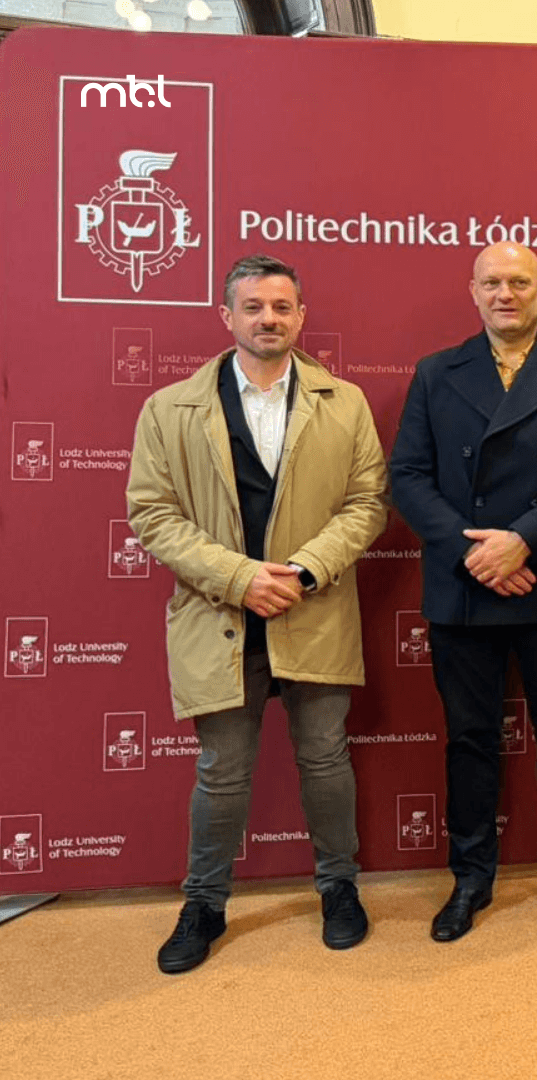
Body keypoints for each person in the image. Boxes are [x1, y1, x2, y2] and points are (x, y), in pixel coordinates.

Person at [127, 254, 387, 973]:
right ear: (227, 316)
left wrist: (302, 571)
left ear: (301, 316)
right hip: (221, 614)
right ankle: (204, 904)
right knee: (222, 772)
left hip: (313, 606)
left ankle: (339, 888)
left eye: (281, 306)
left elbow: (368, 502)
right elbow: (152, 513)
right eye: (253, 307)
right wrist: (241, 578)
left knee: (325, 760)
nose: (268, 318)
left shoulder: (346, 403)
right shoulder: (169, 408)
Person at [390, 243, 537, 941]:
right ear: (473, 291)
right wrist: (479, 554)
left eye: (519, 282)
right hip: (465, 585)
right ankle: (470, 878)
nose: (505, 294)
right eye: (491, 282)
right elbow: (408, 476)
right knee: (469, 740)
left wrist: (522, 539)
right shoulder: (436, 372)